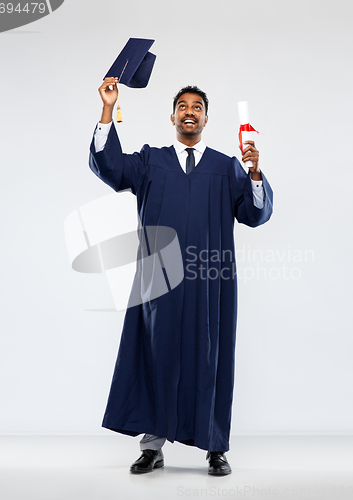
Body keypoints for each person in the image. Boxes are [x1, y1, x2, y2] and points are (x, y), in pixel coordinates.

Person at [89, 79, 273, 476]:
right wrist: (108, 108)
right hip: (160, 276)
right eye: (183, 107)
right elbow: (111, 166)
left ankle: (215, 446)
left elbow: (254, 215)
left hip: (210, 279)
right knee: (157, 354)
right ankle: (152, 446)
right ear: (172, 116)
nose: (190, 112)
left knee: (210, 357)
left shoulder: (226, 167)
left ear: (206, 118)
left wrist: (255, 172)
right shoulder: (151, 161)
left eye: (197, 107)